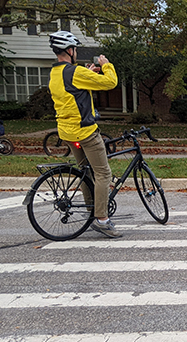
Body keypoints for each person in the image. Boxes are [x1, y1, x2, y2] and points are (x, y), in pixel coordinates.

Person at [48, 30, 120, 237]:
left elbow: (73, 90)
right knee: (103, 174)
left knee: (86, 172)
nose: (76, 52)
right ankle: (102, 219)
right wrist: (106, 64)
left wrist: (88, 72)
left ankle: (92, 212)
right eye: (75, 49)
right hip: (85, 132)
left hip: (67, 132)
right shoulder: (75, 72)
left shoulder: (56, 73)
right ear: (69, 50)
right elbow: (110, 83)